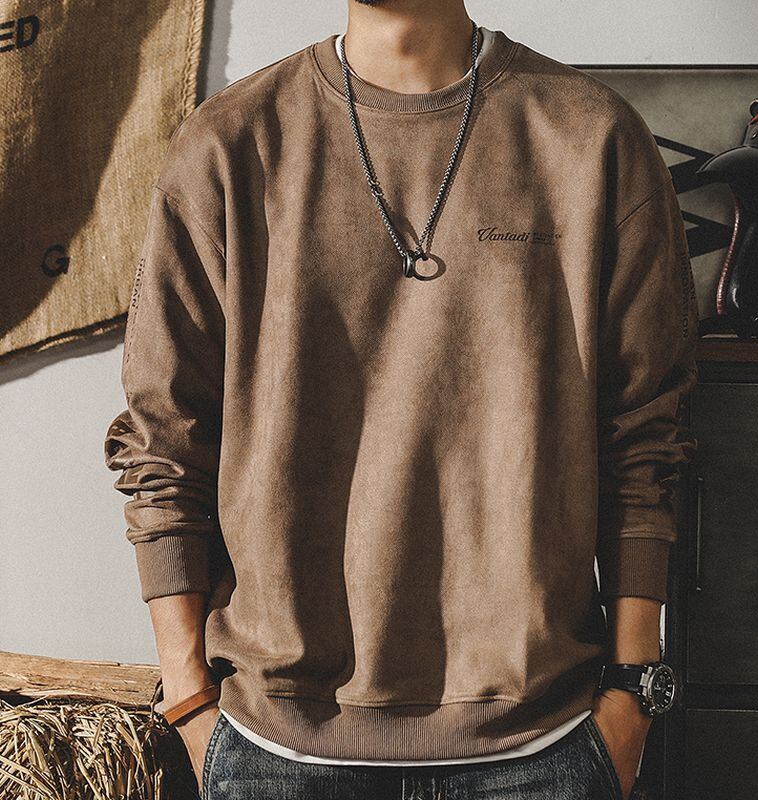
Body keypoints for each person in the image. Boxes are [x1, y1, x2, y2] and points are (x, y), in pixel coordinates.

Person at [103, 1, 699, 798]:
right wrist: (186, 699)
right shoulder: (228, 143)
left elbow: (646, 437)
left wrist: (633, 693)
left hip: (545, 740)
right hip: (278, 745)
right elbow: (163, 440)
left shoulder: (592, 136)